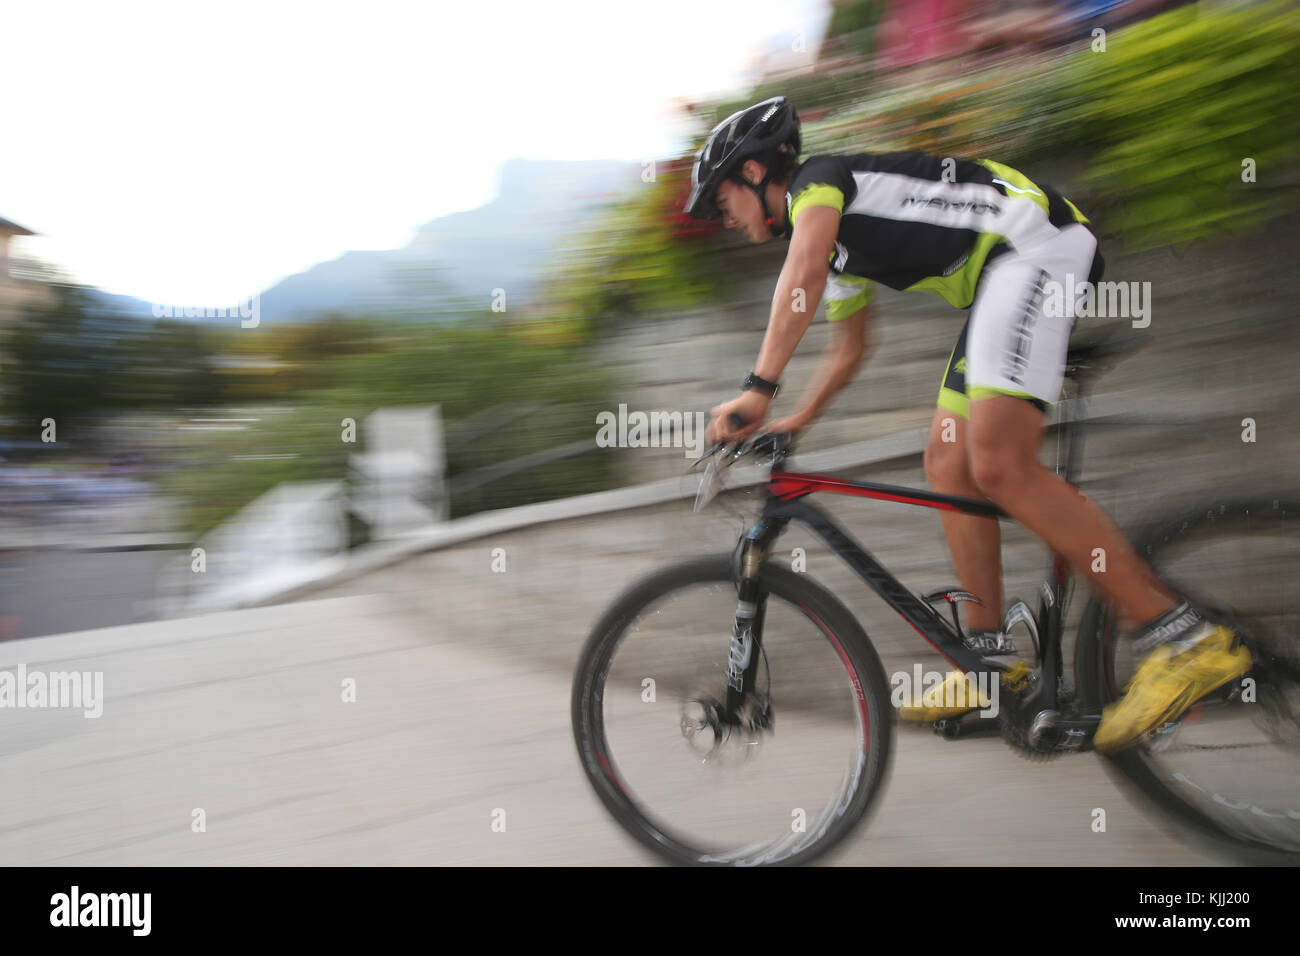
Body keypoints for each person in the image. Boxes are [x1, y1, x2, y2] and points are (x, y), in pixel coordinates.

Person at [685, 96, 1250, 752]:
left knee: (1000, 464)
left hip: (1033, 246)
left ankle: (1184, 639)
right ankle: (991, 662)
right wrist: (797, 419)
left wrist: (757, 389)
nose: (723, 218)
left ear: (754, 172)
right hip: (1000, 279)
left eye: (722, 200)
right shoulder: (836, 248)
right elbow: (849, 346)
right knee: (949, 463)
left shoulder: (820, 184)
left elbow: (800, 274)